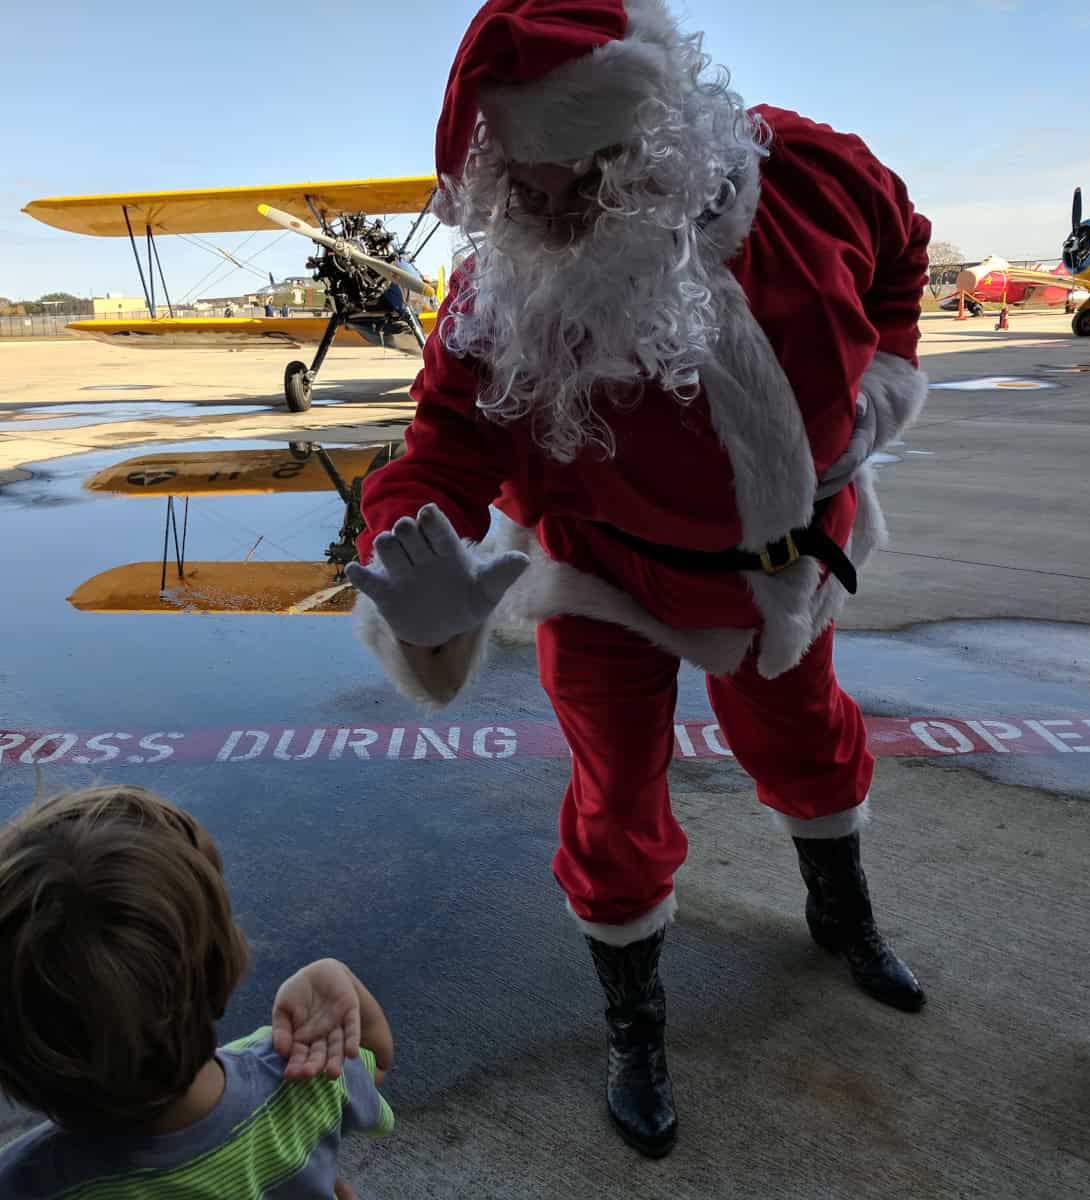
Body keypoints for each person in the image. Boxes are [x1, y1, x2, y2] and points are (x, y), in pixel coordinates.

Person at [346, 0, 931, 1158]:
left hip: (787, 565)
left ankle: (841, 914)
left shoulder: (811, 172)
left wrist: (894, 367)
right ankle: (636, 1020)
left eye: (592, 176)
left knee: (809, 736)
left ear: (662, 135)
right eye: (526, 188)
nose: (555, 212)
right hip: (605, 581)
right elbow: (441, 451)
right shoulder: (496, 296)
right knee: (615, 798)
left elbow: (904, 247)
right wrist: (417, 567)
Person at [0, 785, 395, 1198]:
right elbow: (377, 1057)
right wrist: (338, 975)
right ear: (222, 965)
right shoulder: (300, 1077)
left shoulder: (25, 1182)